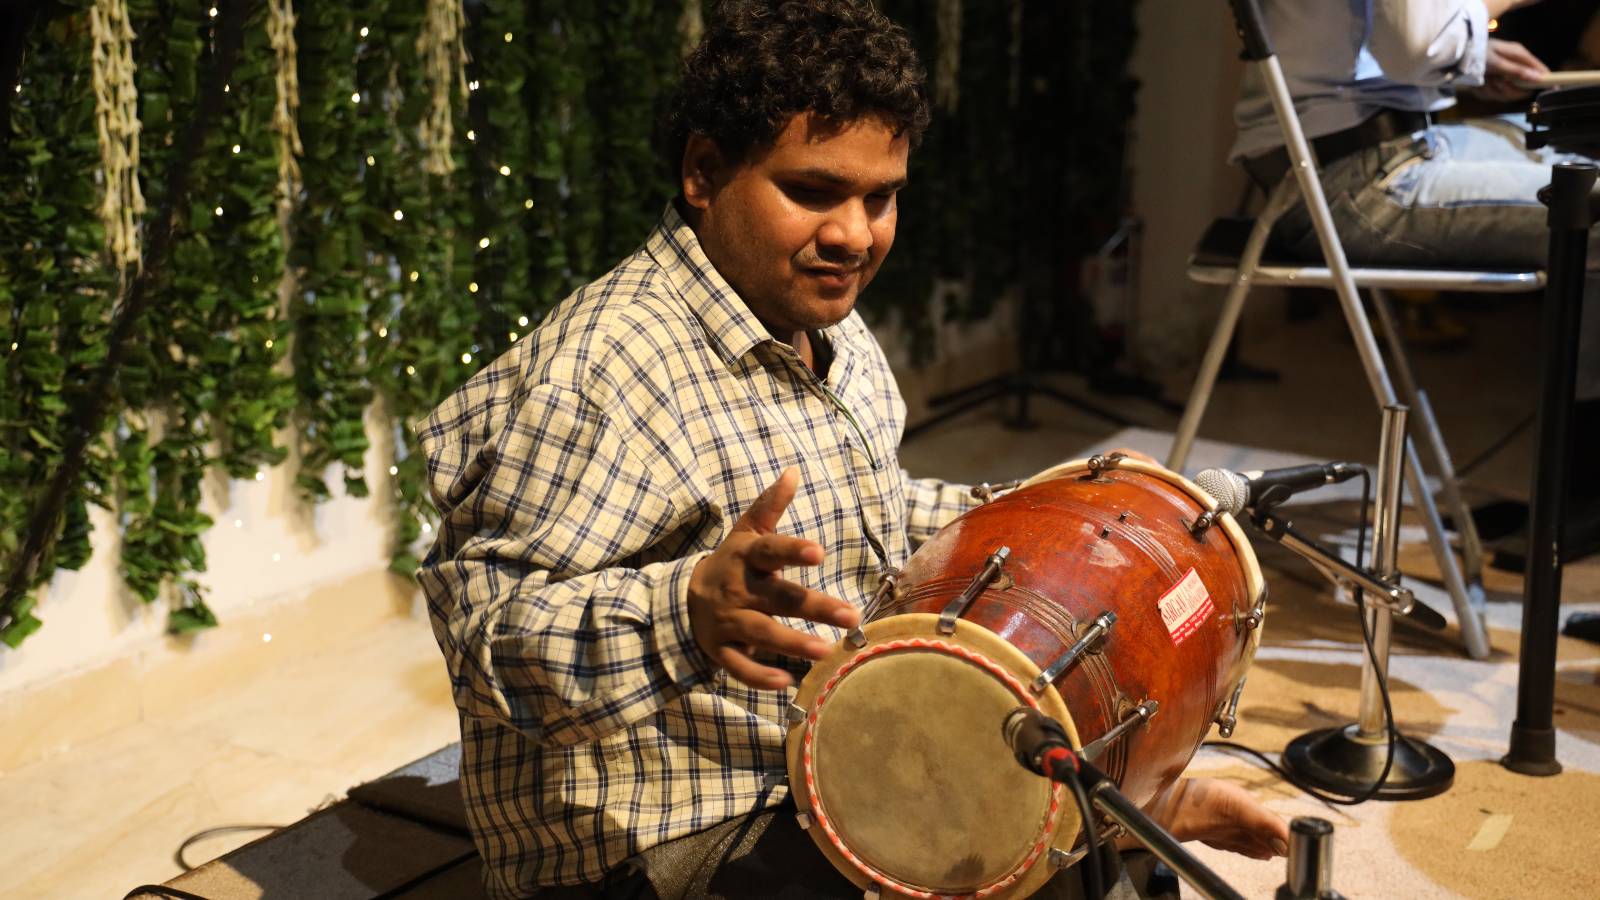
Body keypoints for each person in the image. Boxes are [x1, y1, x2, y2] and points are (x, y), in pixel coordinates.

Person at [416, 2, 1288, 898]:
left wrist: (1063, 523)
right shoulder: (596, 376)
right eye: (812, 191)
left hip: (823, 759)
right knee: (1032, 876)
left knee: (1083, 858)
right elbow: (484, 638)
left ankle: (1117, 817)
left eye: (881, 196)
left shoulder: (823, 321)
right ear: (704, 172)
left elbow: (866, 512)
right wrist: (685, 611)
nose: (855, 236)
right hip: (662, 837)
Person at [1232, 0, 1600, 558]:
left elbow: (1392, 38)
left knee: (1577, 137)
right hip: (1354, 179)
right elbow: (1417, 46)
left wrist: (1478, 52)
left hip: (1376, 149)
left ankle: (1580, 491)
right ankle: (1584, 493)